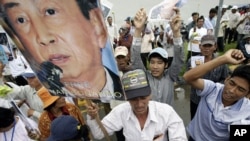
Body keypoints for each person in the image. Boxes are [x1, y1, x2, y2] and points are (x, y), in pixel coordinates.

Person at [0, 0, 124, 100]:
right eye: (21, 20)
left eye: (51, 11)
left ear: (97, 25)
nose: (43, 38)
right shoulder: (51, 98)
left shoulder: (124, 89)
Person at [86, 69, 187, 141]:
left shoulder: (166, 112)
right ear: (126, 97)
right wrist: (93, 117)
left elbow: (179, 138)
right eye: (133, 99)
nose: (139, 104)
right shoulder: (120, 111)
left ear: (150, 94)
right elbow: (99, 134)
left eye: (143, 98)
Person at [183, 49, 250, 141]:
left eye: (241, 89)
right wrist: (223, 59)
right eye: (232, 83)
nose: (232, 90)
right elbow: (187, 77)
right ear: (227, 79)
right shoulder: (212, 89)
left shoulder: (247, 110)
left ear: (248, 94)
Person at [131, 7, 184, 105]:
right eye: (152, 62)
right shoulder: (144, 77)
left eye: (159, 63)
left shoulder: (170, 76)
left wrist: (176, 32)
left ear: (166, 65)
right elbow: (135, 60)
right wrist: (138, 30)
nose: (155, 66)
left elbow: (179, 58)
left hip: (167, 119)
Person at [186, 34, 229, 119]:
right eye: (204, 45)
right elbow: (187, 80)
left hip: (214, 100)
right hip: (196, 99)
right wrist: (192, 74)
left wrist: (213, 88)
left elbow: (225, 79)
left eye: (209, 45)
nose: (207, 48)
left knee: (211, 122)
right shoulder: (192, 61)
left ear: (215, 46)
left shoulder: (220, 61)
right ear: (199, 46)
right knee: (195, 120)